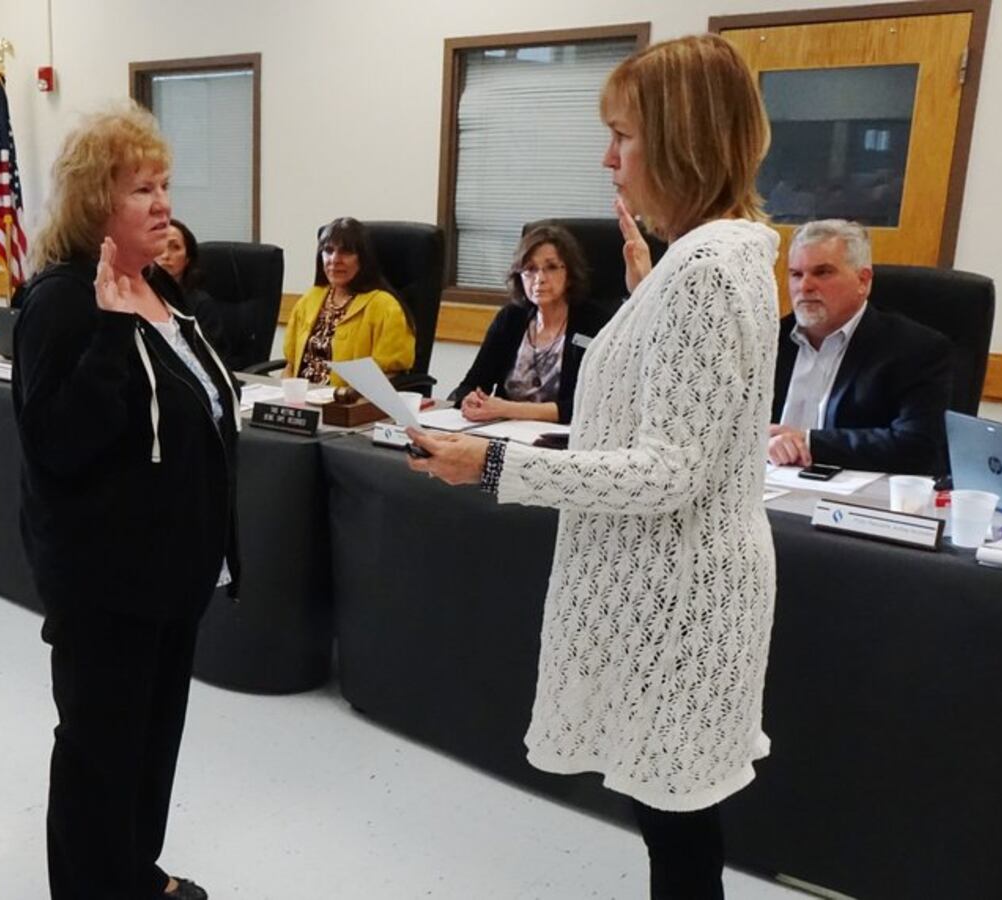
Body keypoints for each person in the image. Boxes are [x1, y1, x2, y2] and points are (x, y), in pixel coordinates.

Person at [406, 34, 779, 899]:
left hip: (683, 592)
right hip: (684, 581)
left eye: (625, 135)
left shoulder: (705, 270)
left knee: (678, 826)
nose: (607, 157)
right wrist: (652, 285)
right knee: (675, 823)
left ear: (683, 140)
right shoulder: (717, 255)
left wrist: (496, 466)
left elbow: (667, 469)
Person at [11, 104, 236, 900]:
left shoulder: (161, 289)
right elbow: (56, 443)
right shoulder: (65, 301)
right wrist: (109, 336)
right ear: (94, 201)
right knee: (98, 755)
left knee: (150, 746)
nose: (163, 203)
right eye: (142, 187)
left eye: (166, 184)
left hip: (174, 577)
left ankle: (133, 874)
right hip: (106, 582)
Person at [767, 218, 953, 475]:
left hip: (853, 502)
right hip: (762, 491)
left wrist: (808, 442)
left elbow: (919, 446)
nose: (805, 286)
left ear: (863, 281)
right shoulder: (767, 341)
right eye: (796, 274)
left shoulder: (916, 349)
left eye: (822, 272)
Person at [449, 224, 618, 425]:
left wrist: (507, 408)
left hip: (562, 439)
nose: (540, 279)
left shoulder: (594, 323)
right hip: (503, 431)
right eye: (530, 269)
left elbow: (586, 406)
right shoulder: (511, 318)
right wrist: (470, 399)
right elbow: (472, 384)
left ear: (570, 275)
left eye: (552, 267)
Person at [282, 217, 414, 387]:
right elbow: (290, 364)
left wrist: (345, 399)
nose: (334, 260)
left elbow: (390, 374)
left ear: (363, 259)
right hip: (302, 403)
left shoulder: (385, 306)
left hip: (347, 404)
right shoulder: (310, 299)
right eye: (328, 251)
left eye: (345, 252)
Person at [153, 218, 255, 371]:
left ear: (187, 259)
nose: (166, 255)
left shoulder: (200, 304)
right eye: (159, 247)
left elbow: (209, 359)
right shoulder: (142, 300)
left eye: (175, 247)